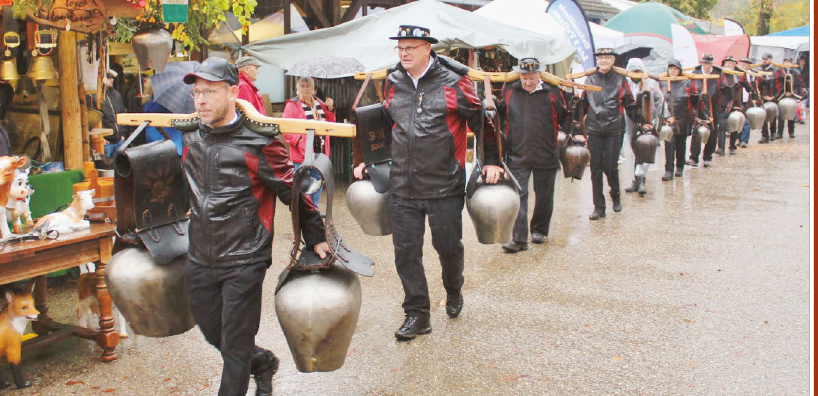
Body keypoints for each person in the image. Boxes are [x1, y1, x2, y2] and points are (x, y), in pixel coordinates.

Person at [181, 57, 330, 396]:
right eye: (196, 93)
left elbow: (292, 190)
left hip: (245, 256)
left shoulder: (259, 142)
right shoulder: (190, 136)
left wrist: (316, 235)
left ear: (233, 92)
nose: (201, 100)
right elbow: (182, 187)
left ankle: (245, 366)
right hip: (200, 254)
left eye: (210, 92)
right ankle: (261, 361)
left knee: (234, 344)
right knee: (212, 332)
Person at [353, 25, 503, 340]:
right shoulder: (393, 82)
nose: (404, 53)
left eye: (410, 47)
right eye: (400, 48)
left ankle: (454, 288)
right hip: (402, 186)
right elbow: (383, 121)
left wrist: (491, 161)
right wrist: (369, 158)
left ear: (427, 49)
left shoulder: (455, 82)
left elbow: (482, 119)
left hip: (444, 185)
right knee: (406, 252)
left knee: (448, 248)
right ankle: (417, 313)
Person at [490, 57, 570, 253]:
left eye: (532, 78)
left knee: (544, 195)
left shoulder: (552, 92)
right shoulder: (509, 90)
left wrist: (568, 136)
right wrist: (491, 107)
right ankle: (518, 238)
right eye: (524, 78)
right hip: (518, 153)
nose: (527, 82)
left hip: (547, 154)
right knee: (518, 195)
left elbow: (566, 116)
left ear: (539, 75)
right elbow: (500, 113)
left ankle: (539, 230)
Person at [573, 48, 642, 220]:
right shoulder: (590, 79)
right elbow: (582, 105)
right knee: (595, 168)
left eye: (607, 58)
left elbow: (630, 104)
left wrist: (642, 121)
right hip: (594, 129)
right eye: (601, 58)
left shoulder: (620, 80)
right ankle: (599, 207)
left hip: (614, 128)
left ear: (613, 60)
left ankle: (616, 194)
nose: (603, 61)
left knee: (610, 166)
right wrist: (575, 127)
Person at [283, 76, 335, 205]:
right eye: (302, 86)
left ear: (313, 88)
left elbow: (331, 124)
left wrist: (330, 109)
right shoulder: (292, 105)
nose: (305, 89)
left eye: (308, 86)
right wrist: (300, 140)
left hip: (320, 152)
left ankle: (314, 213)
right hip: (302, 154)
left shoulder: (319, 103)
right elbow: (286, 129)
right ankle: (304, 217)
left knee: (317, 185)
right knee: (303, 188)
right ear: (297, 88)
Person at [622, 58, 669, 193]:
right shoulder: (626, 84)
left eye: (638, 70)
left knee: (647, 146)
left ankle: (642, 177)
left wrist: (664, 116)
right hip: (630, 119)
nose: (636, 73)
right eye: (633, 71)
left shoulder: (651, 83)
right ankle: (634, 179)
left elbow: (660, 101)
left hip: (649, 119)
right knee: (631, 149)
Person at [687, 53, 731, 168]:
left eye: (709, 63)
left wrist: (722, 105)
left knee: (712, 132)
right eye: (705, 63)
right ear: (701, 63)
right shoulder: (695, 74)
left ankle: (707, 157)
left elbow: (726, 89)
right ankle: (694, 157)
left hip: (714, 106)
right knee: (696, 132)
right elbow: (689, 88)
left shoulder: (718, 74)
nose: (707, 65)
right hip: (699, 107)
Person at [661, 59, 702, 179]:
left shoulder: (687, 82)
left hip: (683, 116)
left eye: (675, 69)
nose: (673, 71)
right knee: (669, 143)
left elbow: (695, 100)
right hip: (668, 117)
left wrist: (693, 114)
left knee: (681, 143)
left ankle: (679, 167)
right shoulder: (663, 82)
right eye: (671, 68)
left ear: (679, 70)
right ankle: (669, 169)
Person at [773, 57, 805, 139]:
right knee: (781, 115)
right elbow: (776, 83)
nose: (787, 64)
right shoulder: (779, 72)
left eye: (788, 62)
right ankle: (779, 133)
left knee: (791, 115)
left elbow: (799, 84)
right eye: (785, 62)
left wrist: (797, 94)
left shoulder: (795, 73)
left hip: (792, 95)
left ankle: (791, 132)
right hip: (782, 95)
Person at [720, 56, 742, 154]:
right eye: (727, 63)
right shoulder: (720, 75)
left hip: (735, 103)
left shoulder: (738, 75)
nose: (729, 65)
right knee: (721, 126)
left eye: (731, 63)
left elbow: (747, 85)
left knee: (734, 125)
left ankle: (732, 146)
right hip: (722, 104)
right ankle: (721, 147)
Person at [736, 57, 758, 148]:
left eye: (746, 65)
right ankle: (739, 138)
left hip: (748, 100)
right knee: (739, 120)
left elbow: (755, 88)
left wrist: (755, 97)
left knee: (747, 121)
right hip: (739, 100)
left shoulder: (753, 75)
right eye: (742, 64)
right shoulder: (737, 74)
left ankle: (744, 140)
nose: (744, 66)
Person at [757, 53, 778, 143]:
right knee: (763, 116)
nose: (764, 61)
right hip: (762, 96)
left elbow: (778, 84)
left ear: (770, 59)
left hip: (772, 95)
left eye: (766, 59)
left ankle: (773, 132)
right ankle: (765, 136)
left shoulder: (776, 70)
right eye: (763, 59)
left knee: (772, 115)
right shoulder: (759, 69)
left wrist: (775, 96)